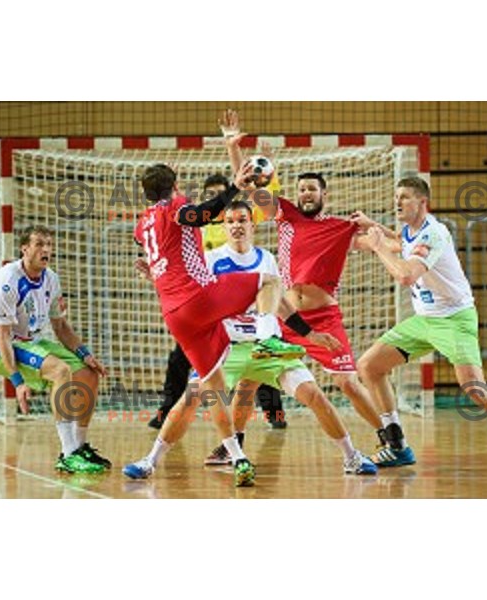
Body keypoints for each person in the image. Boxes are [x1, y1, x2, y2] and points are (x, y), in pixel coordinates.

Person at [123, 200, 377, 478]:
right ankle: (150, 461)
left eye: (242, 220)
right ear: (223, 226)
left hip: (267, 349)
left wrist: (311, 334)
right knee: (190, 400)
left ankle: (351, 456)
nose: (236, 226)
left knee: (314, 395)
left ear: (252, 224)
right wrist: (157, 280)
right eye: (230, 221)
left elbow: (280, 303)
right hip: (227, 348)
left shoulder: (267, 258)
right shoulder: (208, 259)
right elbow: (184, 293)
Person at [353, 176, 487, 471]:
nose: (397, 201)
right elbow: (401, 242)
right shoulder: (411, 231)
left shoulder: (434, 233)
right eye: (396, 196)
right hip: (424, 320)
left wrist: (378, 247)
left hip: (454, 320)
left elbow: (406, 274)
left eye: (405, 197)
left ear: (423, 202)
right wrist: (375, 229)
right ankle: (397, 446)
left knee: (475, 389)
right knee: (369, 366)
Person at [127, 162, 304, 487]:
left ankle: (163, 461)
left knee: (209, 391)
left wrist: (154, 268)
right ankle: (267, 337)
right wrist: (234, 187)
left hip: (174, 314)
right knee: (268, 280)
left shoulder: (143, 222)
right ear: (175, 186)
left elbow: (154, 249)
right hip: (199, 298)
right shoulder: (173, 206)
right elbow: (203, 215)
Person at [220, 110, 386, 446]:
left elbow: (381, 244)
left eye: (312, 189)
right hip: (285, 317)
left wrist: (383, 232)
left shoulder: (340, 227)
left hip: (322, 317)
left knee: (348, 383)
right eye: (301, 189)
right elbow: (247, 184)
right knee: (249, 380)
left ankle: (390, 437)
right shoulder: (285, 214)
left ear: (324, 194)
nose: (306, 193)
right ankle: (232, 446)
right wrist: (232, 145)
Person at [147, 173, 286, 430]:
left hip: (234, 295)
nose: (236, 225)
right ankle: (166, 414)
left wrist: (256, 171)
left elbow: (265, 201)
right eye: (210, 195)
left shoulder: (247, 227)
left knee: (263, 347)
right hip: (210, 295)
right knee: (188, 366)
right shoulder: (202, 222)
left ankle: (272, 414)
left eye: (241, 221)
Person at [0, 225, 110, 474]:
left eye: (49, 244)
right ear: (24, 248)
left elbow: (60, 327)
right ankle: (68, 454)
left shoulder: (52, 279)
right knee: (60, 371)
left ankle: (79, 447)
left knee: (89, 375)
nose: (46, 249)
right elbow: (3, 335)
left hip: (31, 341)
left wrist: (86, 355)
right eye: (39, 244)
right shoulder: (8, 280)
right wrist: (17, 382)